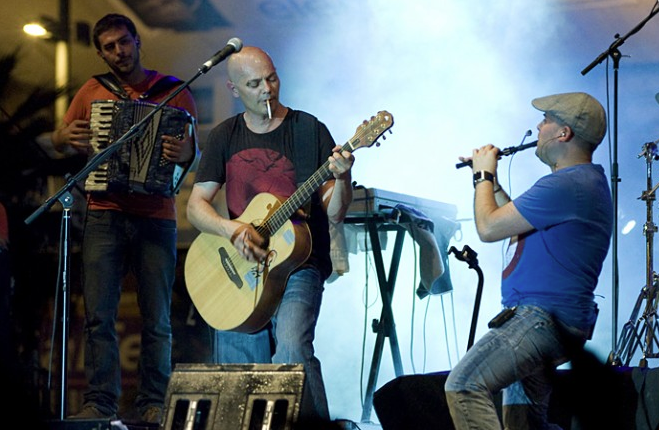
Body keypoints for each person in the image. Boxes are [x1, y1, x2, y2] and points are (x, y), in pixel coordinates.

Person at [186, 46, 354, 425]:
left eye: (272, 78)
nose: (267, 89)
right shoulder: (225, 136)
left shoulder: (309, 130)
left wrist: (342, 175)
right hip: (241, 266)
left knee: (293, 350)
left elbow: (336, 212)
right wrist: (233, 229)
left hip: (299, 263)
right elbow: (196, 206)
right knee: (241, 373)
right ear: (233, 89)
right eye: (255, 83)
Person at [51, 13, 198, 423]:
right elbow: (62, 136)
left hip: (157, 216)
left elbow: (193, 155)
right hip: (104, 213)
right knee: (100, 315)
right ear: (101, 52)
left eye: (124, 42)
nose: (119, 52)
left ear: (137, 40)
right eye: (109, 47)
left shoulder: (173, 91)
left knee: (157, 317)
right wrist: (67, 137)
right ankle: (100, 403)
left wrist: (185, 154)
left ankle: (154, 402)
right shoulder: (93, 90)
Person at [445, 92, 612, 429]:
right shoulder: (580, 183)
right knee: (525, 424)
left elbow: (489, 227)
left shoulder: (569, 184)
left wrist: (483, 178)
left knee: (464, 385)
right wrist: (485, 181)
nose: (538, 126)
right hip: (548, 322)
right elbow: (510, 220)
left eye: (547, 119)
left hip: (539, 320)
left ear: (563, 133)